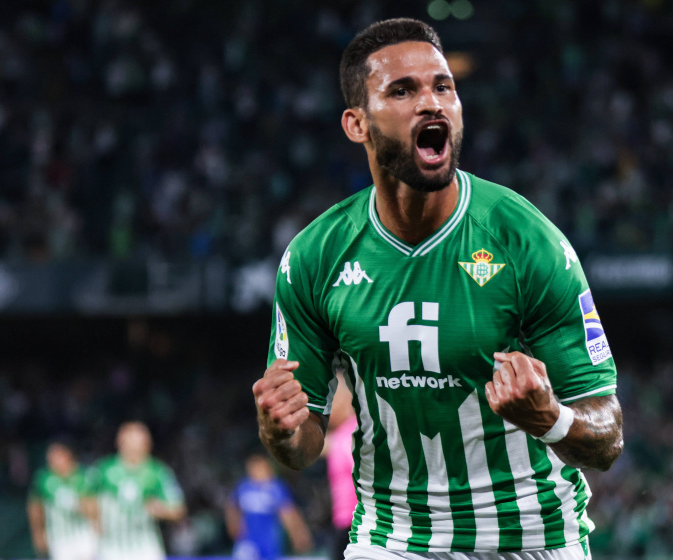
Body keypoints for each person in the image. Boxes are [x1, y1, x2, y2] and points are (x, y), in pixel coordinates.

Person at [253, 17, 623, 560]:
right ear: (357, 124)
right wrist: (280, 430)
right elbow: (303, 444)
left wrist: (552, 419)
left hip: (532, 538)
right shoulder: (315, 257)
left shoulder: (526, 240)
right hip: (394, 540)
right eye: (402, 91)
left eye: (443, 86)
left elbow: (608, 436)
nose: (432, 103)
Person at [85, 421, 186, 560]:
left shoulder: (158, 472)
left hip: (146, 548)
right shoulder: (104, 469)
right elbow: (86, 496)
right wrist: (94, 518)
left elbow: (179, 509)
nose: (134, 447)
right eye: (130, 441)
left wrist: (162, 510)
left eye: (139, 442)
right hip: (111, 548)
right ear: (120, 442)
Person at [224, 452, 313, 560]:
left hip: (269, 541)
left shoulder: (276, 488)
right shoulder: (243, 487)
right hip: (247, 540)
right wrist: (233, 524)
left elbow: (289, 513)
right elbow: (232, 507)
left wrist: (298, 535)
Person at [27, 440, 97, 560]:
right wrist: (38, 534)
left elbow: (94, 509)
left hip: (83, 535)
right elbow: (35, 508)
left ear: (68, 455)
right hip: (58, 537)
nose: (52, 460)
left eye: (57, 456)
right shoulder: (44, 479)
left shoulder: (83, 477)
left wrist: (76, 504)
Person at [324, 373, 358, 560]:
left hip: (354, 526)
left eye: (330, 400)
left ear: (346, 399)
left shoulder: (354, 433)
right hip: (345, 525)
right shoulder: (341, 434)